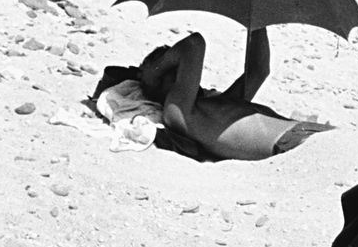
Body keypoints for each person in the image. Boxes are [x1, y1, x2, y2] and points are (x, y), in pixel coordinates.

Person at [138, 30, 331, 161]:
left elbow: (258, 71)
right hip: (288, 145)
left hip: (306, 132)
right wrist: (152, 72)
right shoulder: (177, 113)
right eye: (173, 70)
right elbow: (193, 44)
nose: (183, 73)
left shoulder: (215, 105)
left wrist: (256, 24)